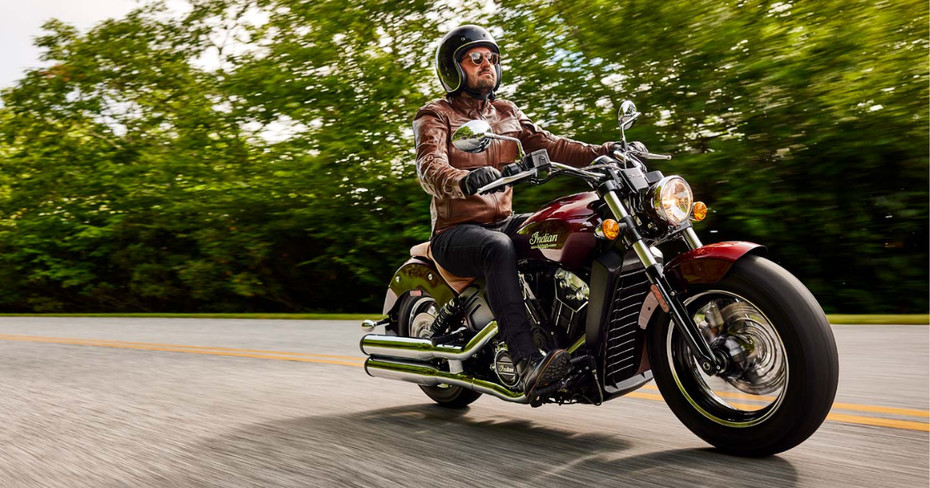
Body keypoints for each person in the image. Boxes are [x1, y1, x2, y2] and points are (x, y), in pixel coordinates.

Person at [412, 25, 617, 398]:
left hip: (503, 221)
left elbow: (553, 146)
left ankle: (579, 338)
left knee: (574, 225)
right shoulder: (436, 114)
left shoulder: (506, 112)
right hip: (455, 232)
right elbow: (429, 166)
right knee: (498, 248)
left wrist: (606, 151)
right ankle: (526, 361)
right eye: (475, 58)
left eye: (491, 58)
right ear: (453, 68)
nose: (486, 64)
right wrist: (464, 179)